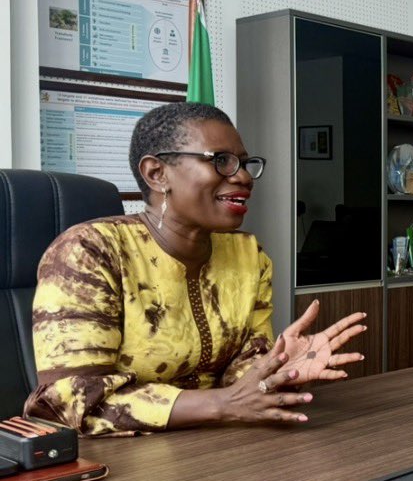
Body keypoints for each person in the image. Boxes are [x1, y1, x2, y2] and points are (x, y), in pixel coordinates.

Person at [25, 102, 367, 436]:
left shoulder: (250, 256)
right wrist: (221, 404)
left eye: (245, 163)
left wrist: (279, 370)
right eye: (221, 161)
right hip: (110, 464)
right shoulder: (89, 251)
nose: (244, 176)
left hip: (216, 444)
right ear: (157, 173)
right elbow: (71, 399)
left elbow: (242, 377)